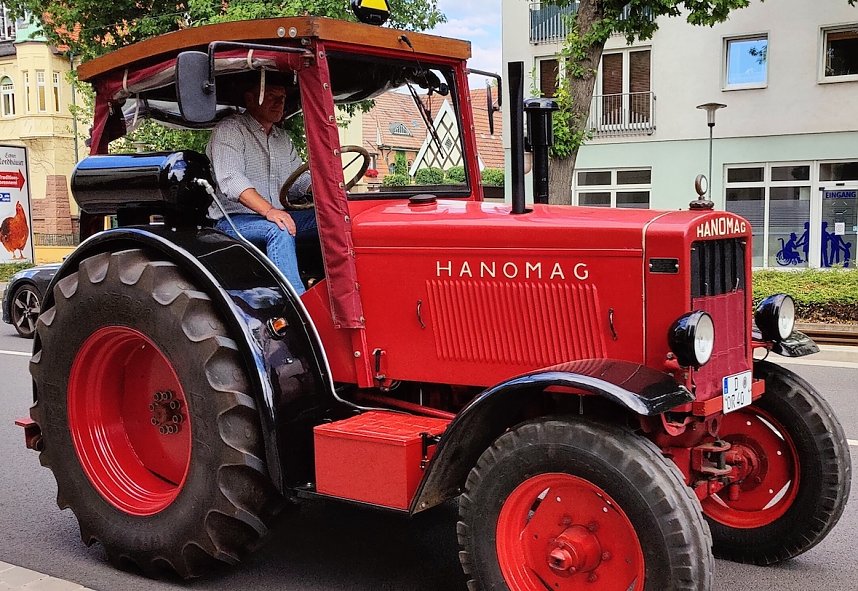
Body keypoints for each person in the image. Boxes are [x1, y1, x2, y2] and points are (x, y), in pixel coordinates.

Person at [207, 72, 316, 295]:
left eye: (283, 97)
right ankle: (302, 307)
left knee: (330, 221)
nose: (280, 102)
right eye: (272, 96)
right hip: (233, 221)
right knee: (279, 228)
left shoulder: (282, 138)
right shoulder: (230, 130)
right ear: (249, 99)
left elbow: (297, 181)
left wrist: (324, 188)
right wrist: (269, 211)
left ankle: (334, 291)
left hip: (276, 214)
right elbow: (231, 180)